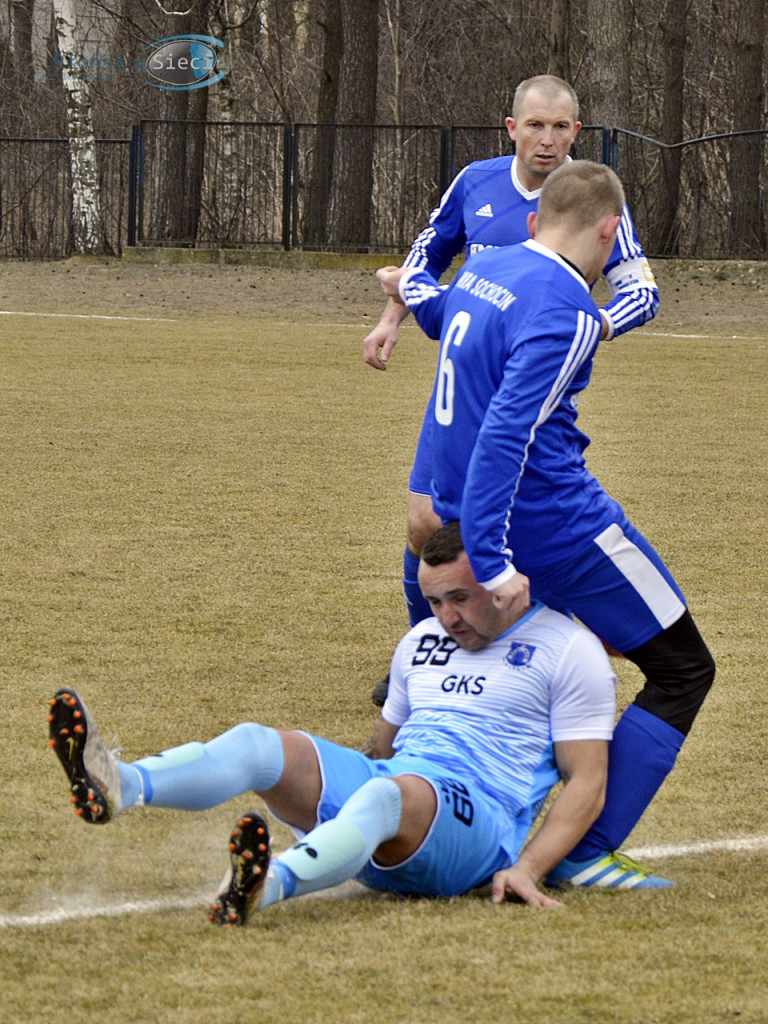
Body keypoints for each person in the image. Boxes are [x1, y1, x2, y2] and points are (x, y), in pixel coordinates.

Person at [46, 523, 672, 929]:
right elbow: (381, 749)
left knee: (383, 793)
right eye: (432, 601)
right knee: (259, 745)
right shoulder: (420, 642)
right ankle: (122, 785)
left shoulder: (568, 649)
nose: (445, 617)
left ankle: (266, 886)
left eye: (459, 597)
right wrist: (323, 788)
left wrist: (528, 868)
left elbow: (586, 781)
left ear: (500, 581)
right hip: (396, 796)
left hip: (478, 825)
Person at [375, 161, 714, 889]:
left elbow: (440, 322)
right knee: (685, 668)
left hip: (473, 512)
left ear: (534, 220)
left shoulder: (483, 271)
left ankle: (439, 811)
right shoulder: (568, 307)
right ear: (610, 230)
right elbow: (508, 433)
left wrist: (408, 289)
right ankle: (584, 851)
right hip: (557, 527)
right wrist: (493, 562)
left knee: (537, 665)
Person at [362, 74, 659, 641]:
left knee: (518, 520)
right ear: (512, 128)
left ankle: (535, 647)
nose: (547, 140)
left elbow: (642, 292)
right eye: (535, 126)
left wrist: (596, 324)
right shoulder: (477, 182)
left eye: (560, 127)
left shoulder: (590, 199)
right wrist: (391, 317)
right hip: (464, 382)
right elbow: (422, 259)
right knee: (426, 525)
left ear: (576, 130)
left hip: (529, 389)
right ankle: (424, 645)